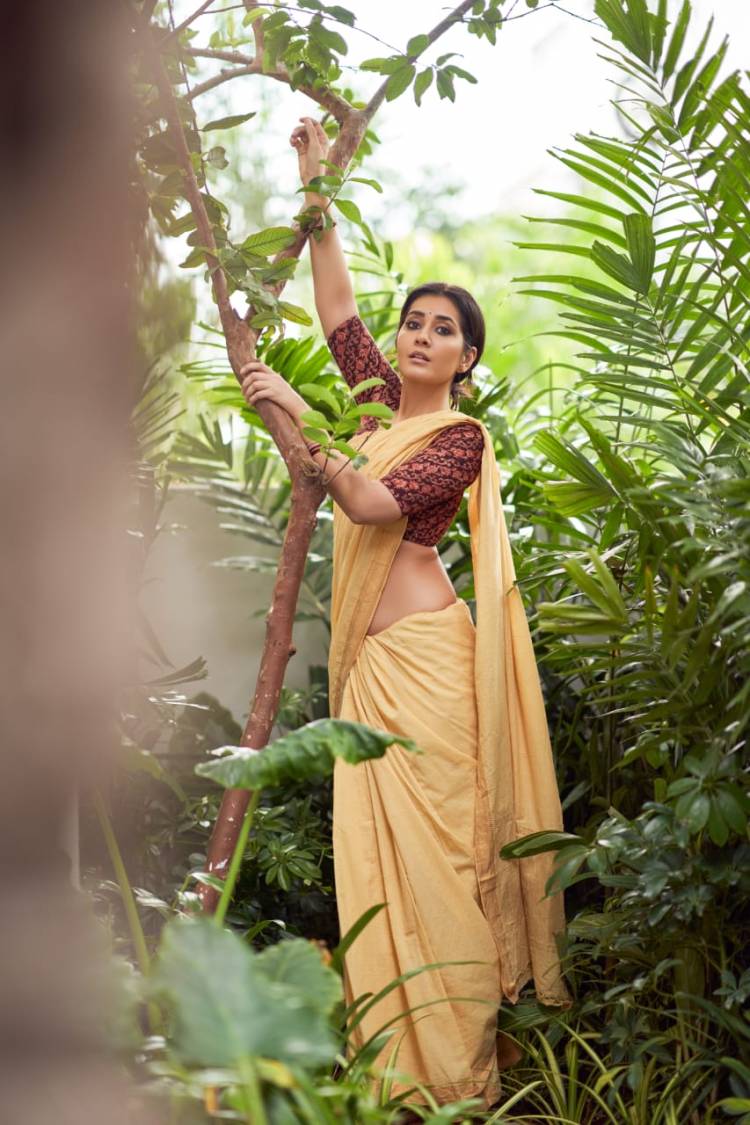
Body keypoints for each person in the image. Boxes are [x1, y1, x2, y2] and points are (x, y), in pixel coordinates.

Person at [239, 117, 571, 1110]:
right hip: (373, 672)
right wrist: (313, 185)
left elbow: (372, 505)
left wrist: (295, 419)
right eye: (413, 322)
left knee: (442, 866)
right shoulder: (378, 408)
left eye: (442, 330)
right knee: (379, 876)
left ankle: (458, 1078)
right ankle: (392, 1076)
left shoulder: (458, 438)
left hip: (429, 665)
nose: (419, 336)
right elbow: (336, 304)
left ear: (466, 358)